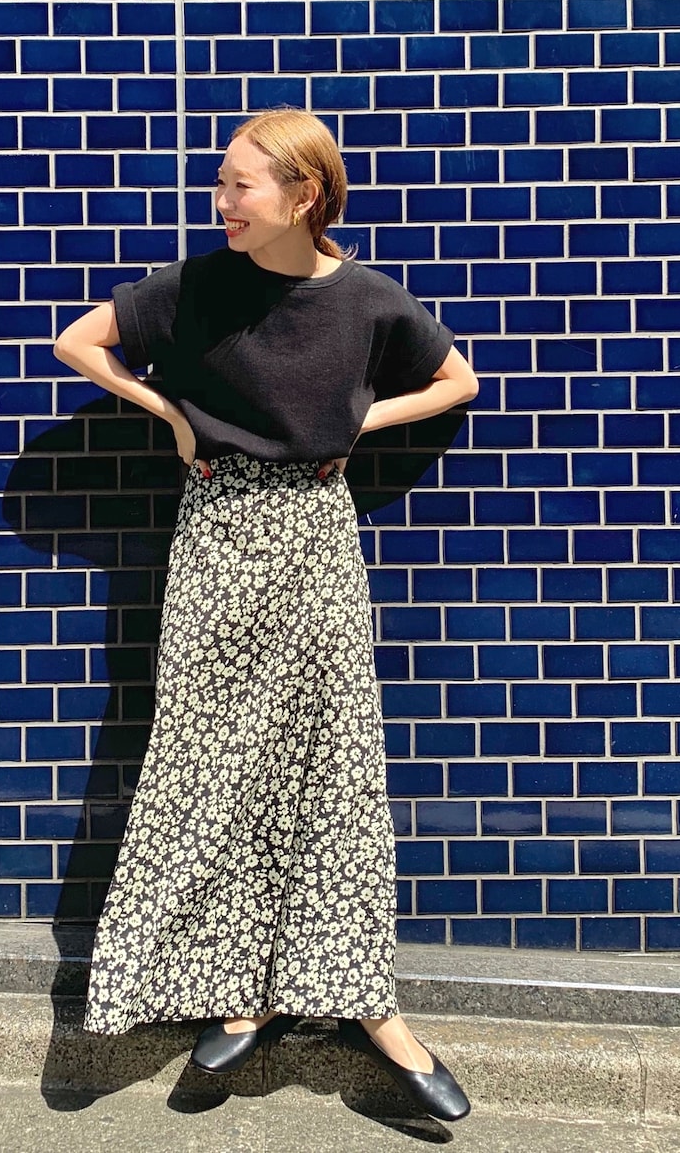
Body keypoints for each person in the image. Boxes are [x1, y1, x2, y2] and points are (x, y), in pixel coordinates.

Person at [53, 108, 479, 1122]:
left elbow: (458, 379)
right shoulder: (197, 285)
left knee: (332, 769)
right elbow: (78, 342)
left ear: (303, 195)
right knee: (210, 764)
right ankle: (237, 992)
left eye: (238, 184)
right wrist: (170, 412)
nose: (220, 201)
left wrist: (357, 418)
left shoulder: (367, 299)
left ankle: (370, 1008)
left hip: (317, 536)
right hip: (217, 537)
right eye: (221, 182)